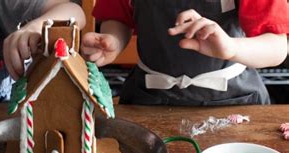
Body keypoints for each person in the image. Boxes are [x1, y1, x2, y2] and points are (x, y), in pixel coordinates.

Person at [81, 0, 289, 105]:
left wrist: (232, 48)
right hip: (149, 99)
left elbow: (278, 48)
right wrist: (112, 40)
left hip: (235, 99)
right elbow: (119, 17)